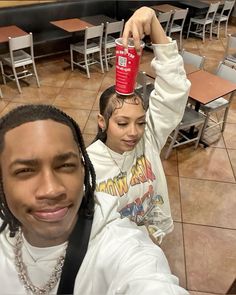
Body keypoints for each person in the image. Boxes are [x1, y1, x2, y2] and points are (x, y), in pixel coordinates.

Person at [0, 104, 189, 294]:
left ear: (83, 169)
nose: (51, 190)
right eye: (25, 171)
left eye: (65, 165)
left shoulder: (119, 245)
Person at [87, 6, 191, 243]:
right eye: (122, 123)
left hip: (154, 236)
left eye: (141, 122)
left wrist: (151, 18)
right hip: (116, 254)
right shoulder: (88, 165)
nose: (134, 132)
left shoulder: (149, 139)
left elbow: (174, 87)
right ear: (102, 122)